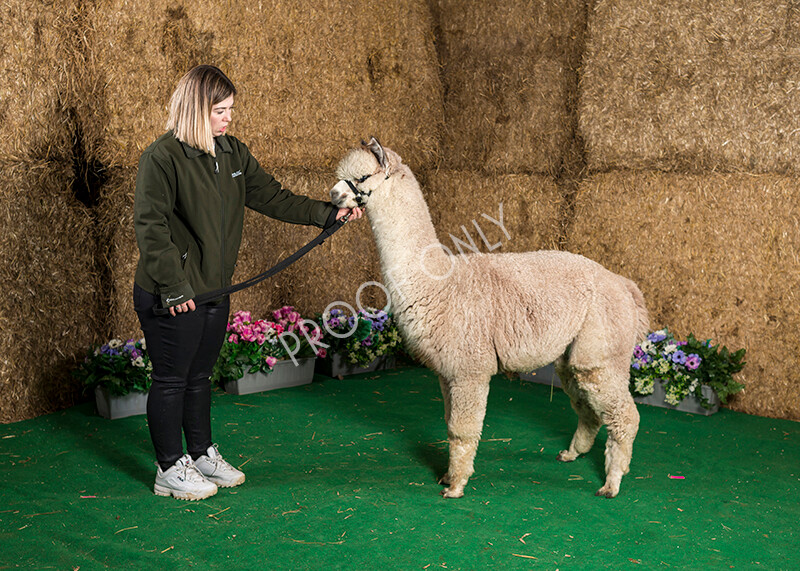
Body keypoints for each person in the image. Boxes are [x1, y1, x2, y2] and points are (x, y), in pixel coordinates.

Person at [133, 65, 362, 500]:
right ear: (196, 109)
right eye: (220, 110)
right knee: (172, 379)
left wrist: (326, 214)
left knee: (199, 376)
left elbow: (273, 197)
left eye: (230, 110)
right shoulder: (161, 158)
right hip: (172, 293)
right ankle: (168, 468)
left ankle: (200, 455)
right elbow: (150, 227)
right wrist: (175, 287)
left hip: (214, 289)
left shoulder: (233, 154)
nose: (228, 118)